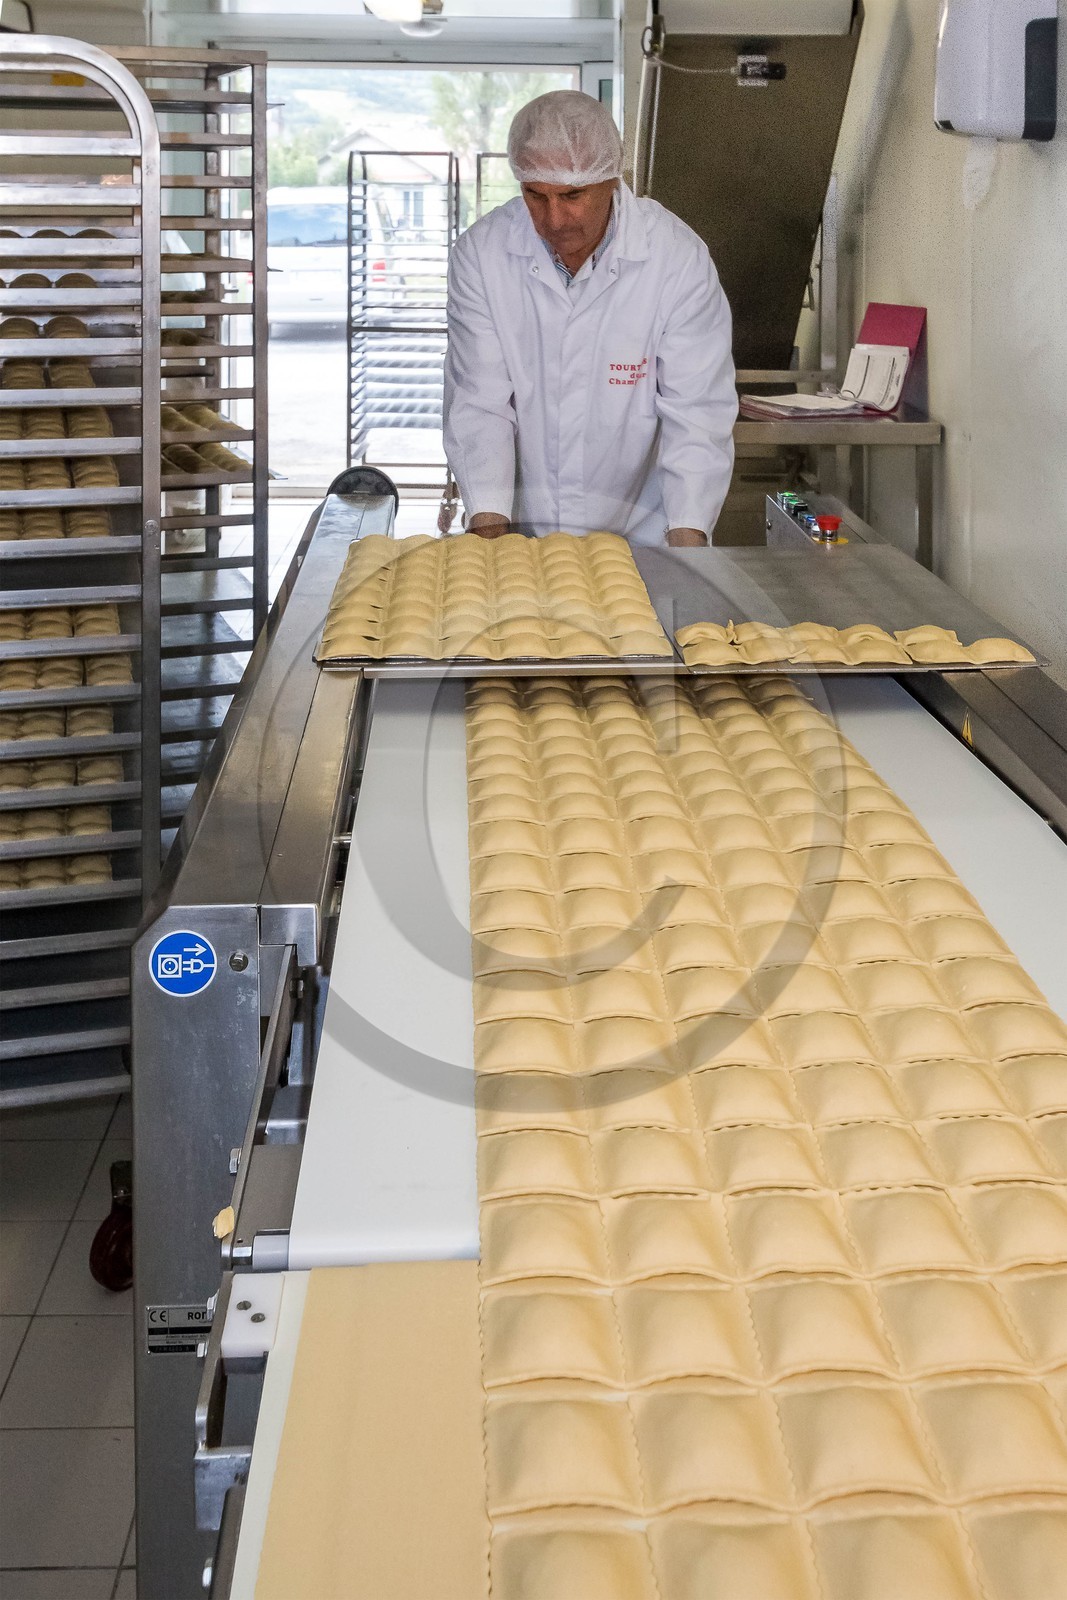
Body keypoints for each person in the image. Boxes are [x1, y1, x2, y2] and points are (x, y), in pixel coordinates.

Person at [443, 89, 737, 548]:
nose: (555, 219)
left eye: (572, 195)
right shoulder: (482, 254)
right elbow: (480, 404)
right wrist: (489, 542)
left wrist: (688, 546)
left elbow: (696, 414)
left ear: (611, 180)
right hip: (523, 536)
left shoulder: (676, 258)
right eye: (535, 195)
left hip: (646, 535)